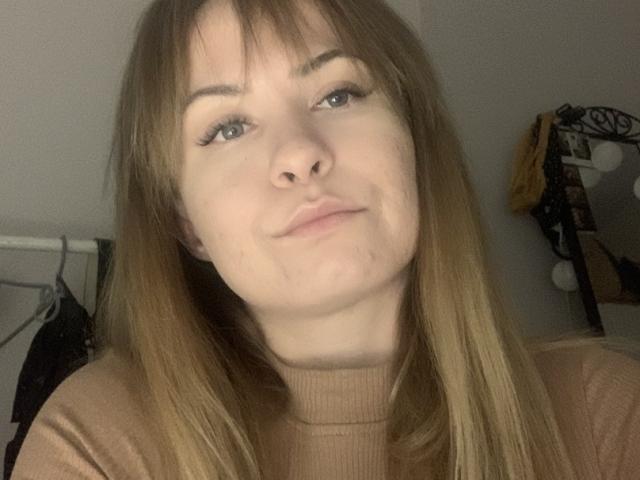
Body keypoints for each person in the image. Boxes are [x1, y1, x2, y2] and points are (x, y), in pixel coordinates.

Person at [10, 0, 640, 479]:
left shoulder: (604, 410)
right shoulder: (101, 441)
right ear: (186, 223)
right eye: (227, 128)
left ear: (414, 143)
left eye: (338, 94)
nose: (298, 154)